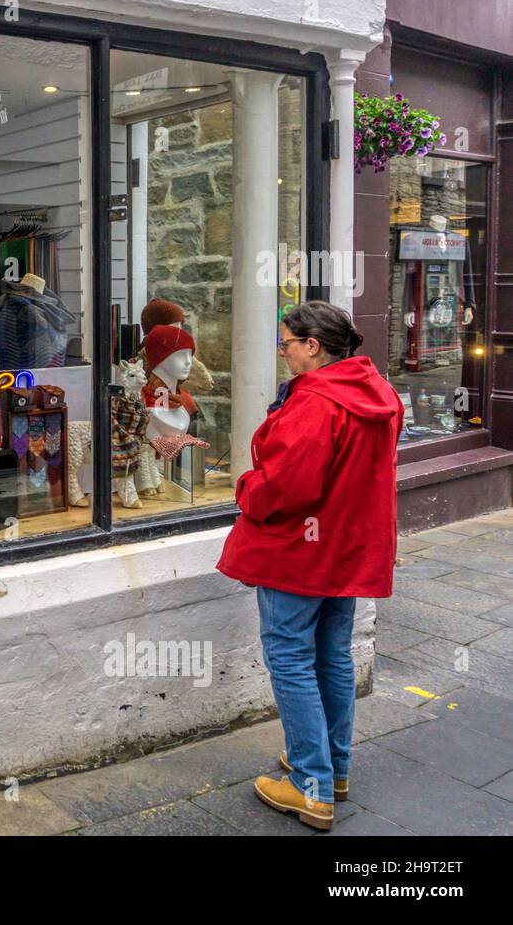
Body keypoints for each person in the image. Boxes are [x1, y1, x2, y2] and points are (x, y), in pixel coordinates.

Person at [216, 300, 403, 830]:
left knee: (292, 658)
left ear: (312, 346)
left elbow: (286, 487)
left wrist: (246, 488)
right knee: (332, 655)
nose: (282, 350)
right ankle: (332, 767)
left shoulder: (316, 402)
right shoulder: (378, 392)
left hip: (298, 551)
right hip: (345, 547)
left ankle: (309, 784)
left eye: (286, 342)